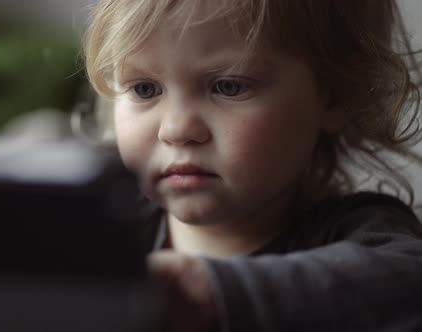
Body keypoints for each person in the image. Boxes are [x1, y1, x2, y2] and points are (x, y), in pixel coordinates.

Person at [80, 0, 422, 331]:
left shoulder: (361, 233)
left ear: (334, 95)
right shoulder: (104, 226)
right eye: (144, 88)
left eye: (227, 86)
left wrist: (211, 293)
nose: (176, 129)